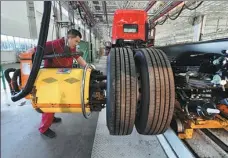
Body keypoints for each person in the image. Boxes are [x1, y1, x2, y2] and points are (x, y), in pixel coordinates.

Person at [28, 29, 88, 138]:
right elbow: (34, 50)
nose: (76, 44)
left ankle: (52, 117)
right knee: (50, 102)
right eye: (76, 41)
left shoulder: (71, 47)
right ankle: (44, 128)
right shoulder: (53, 45)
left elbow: (77, 57)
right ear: (69, 38)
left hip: (63, 77)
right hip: (51, 79)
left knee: (57, 100)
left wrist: (88, 67)